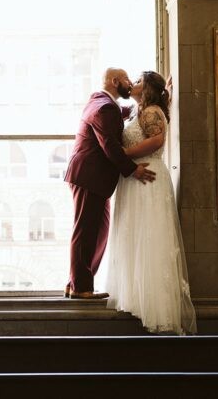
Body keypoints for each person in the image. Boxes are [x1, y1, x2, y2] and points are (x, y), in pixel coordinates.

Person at [105, 70, 196, 334]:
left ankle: (153, 305)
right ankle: (136, 297)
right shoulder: (139, 110)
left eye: (139, 81)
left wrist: (124, 153)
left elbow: (157, 140)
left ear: (148, 89)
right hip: (135, 178)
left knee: (150, 237)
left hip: (148, 176)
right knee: (136, 236)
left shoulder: (151, 111)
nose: (133, 83)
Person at [64, 68, 155, 299]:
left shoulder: (102, 102)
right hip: (89, 176)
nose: (130, 83)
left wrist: (160, 93)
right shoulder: (104, 106)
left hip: (93, 178)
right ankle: (81, 288)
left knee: (98, 232)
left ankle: (75, 283)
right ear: (115, 81)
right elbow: (110, 146)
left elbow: (127, 112)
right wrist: (133, 170)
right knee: (86, 232)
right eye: (126, 79)